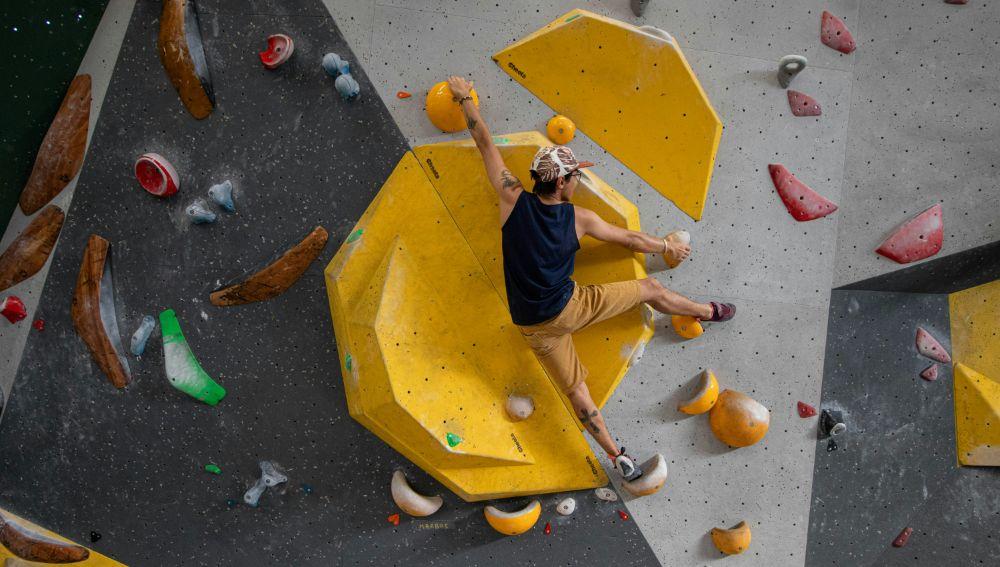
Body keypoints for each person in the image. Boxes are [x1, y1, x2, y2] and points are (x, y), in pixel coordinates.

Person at [446, 76, 736, 481]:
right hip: (571, 307)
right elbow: (631, 239)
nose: (579, 180)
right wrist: (666, 248)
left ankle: (618, 456)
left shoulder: (511, 198)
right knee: (650, 289)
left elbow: (485, 145)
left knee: (576, 393)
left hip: (532, 327)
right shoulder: (578, 218)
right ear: (562, 182)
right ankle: (708, 310)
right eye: (576, 176)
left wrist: (462, 97)